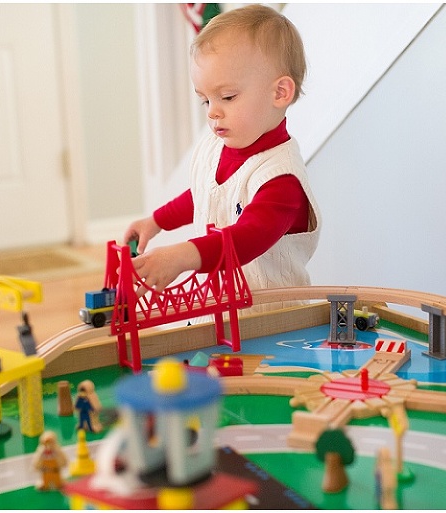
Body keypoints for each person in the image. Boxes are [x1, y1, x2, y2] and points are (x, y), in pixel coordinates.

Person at [124, 4, 320, 313]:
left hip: (274, 322)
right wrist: (156, 220)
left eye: (227, 97)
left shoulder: (282, 180)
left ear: (280, 93)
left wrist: (181, 256)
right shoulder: (219, 147)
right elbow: (205, 195)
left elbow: (245, 240)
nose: (213, 111)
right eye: (205, 100)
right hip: (225, 308)